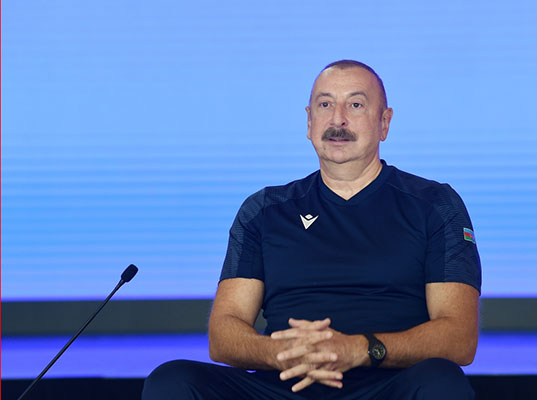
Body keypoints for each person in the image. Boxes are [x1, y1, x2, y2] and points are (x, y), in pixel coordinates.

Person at [143, 60, 482, 399]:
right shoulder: (265, 209)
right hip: (283, 384)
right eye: (325, 105)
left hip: (387, 385)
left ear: (384, 122)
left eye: (355, 105)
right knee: (173, 380)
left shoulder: (434, 205)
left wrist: (357, 349)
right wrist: (281, 353)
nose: (338, 120)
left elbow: (459, 338)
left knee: (441, 381)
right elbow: (223, 334)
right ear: (309, 122)